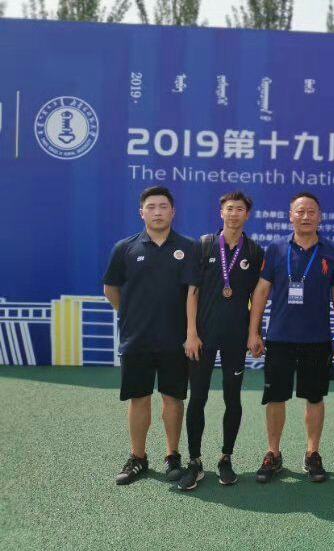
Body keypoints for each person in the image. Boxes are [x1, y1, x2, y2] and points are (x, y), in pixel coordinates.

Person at [247, 191, 334, 483]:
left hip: (317, 338)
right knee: (275, 397)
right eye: (300, 211)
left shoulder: (331, 251)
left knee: (314, 397)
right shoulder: (276, 249)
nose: (305, 216)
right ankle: (273, 453)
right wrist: (254, 331)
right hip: (280, 338)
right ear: (290, 215)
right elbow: (261, 291)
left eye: (311, 211)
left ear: (319, 216)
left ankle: (312, 453)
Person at [103, 186, 195, 485]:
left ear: (173, 211)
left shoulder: (189, 248)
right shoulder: (125, 248)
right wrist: (130, 314)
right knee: (139, 398)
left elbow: (194, 292)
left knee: (173, 399)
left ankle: (172, 456)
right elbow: (111, 288)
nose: (157, 212)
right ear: (141, 212)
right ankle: (138, 458)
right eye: (151, 207)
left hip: (175, 340)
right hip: (137, 339)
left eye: (163, 206)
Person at [178, 191, 265, 491]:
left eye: (240, 209)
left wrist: (254, 333)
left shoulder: (254, 251)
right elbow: (192, 292)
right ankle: (194, 461)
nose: (234, 213)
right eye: (229, 208)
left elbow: (257, 296)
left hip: (236, 337)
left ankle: (226, 458)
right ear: (221, 213)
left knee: (233, 398)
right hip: (202, 337)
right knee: (197, 398)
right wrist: (191, 333)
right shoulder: (203, 245)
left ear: (247, 215)